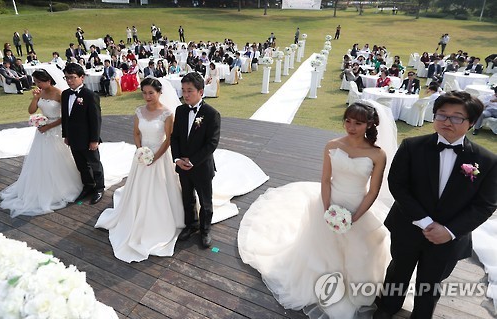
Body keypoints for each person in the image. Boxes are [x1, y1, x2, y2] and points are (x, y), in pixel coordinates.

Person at [239, 101, 397, 319]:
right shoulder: (332, 145)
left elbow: (373, 192)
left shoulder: (378, 155)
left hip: (358, 209)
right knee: (323, 249)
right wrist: (328, 209)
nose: (350, 127)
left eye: (358, 123)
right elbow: (325, 180)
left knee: (360, 251)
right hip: (329, 204)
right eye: (348, 121)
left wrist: (355, 217)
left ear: (369, 125)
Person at [373, 91, 497, 319]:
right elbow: (398, 185)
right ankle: (387, 307)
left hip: (449, 236)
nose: (447, 122)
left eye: (457, 117)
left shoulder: (487, 160)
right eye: (442, 115)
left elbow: (485, 204)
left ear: (471, 122)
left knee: (431, 281)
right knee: (397, 271)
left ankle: (422, 315)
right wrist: (425, 222)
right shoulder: (412, 146)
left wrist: (449, 231)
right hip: (408, 226)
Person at [95, 77, 185, 262]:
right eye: (144, 93)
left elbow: (168, 140)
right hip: (142, 157)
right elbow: (136, 133)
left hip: (159, 156)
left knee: (160, 189)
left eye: (151, 92)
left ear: (160, 93)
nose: (147, 96)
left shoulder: (167, 114)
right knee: (138, 188)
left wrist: (155, 157)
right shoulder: (139, 111)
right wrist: (140, 151)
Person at [0, 69, 82, 217]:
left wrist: (48, 126)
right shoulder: (40, 93)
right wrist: (35, 98)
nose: (37, 84)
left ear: (48, 80)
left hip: (55, 129)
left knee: (57, 158)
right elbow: (31, 111)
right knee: (40, 160)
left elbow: (65, 117)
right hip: (42, 131)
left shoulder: (59, 93)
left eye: (39, 81)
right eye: (35, 82)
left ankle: (60, 188)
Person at [171, 72, 221, 248]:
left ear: (201, 92)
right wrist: (177, 159)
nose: (185, 94)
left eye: (189, 91)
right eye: (183, 90)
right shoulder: (180, 110)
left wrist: (191, 161)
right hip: (182, 166)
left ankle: (205, 229)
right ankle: (190, 225)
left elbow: (212, 144)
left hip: (201, 166)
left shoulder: (211, 114)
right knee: (187, 197)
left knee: (205, 200)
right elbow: (175, 137)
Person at [61, 63, 105, 205]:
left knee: (94, 163)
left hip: (88, 138)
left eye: (72, 77)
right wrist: (66, 135)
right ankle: (88, 186)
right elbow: (65, 116)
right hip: (73, 138)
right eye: (66, 77)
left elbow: (96, 119)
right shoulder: (65, 94)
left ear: (82, 77)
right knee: (81, 165)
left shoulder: (90, 95)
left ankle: (99, 188)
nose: (69, 81)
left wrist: (94, 140)